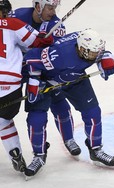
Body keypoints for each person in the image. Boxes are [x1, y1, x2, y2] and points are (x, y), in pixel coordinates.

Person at [22, 29, 114, 177]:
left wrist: (106, 58)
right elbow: (31, 58)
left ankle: (96, 150)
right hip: (47, 81)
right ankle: (39, 155)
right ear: (81, 49)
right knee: (36, 119)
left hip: (75, 78)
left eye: (96, 53)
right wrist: (35, 81)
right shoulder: (59, 55)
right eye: (93, 54)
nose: (95, 56)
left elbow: (101, 51)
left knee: (93, 112)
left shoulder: (89, 43)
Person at [11, 0, 81, 156]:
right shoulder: (18, 15)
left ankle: (69, 139)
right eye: (50, 7)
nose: (53, 12)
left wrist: (48, 44)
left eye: (55, 7)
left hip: (42, 70)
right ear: (38, 6)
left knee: (60, 104)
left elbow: (57, 51)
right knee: (7, 103)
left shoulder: (56, 24)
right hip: (18, 68)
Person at [0, 0, 53, 173]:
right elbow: (37, 43)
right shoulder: (14, 23)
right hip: (11, 86)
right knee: (4, 120)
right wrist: (45, 36)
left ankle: (13, 151)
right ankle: (15, 153)